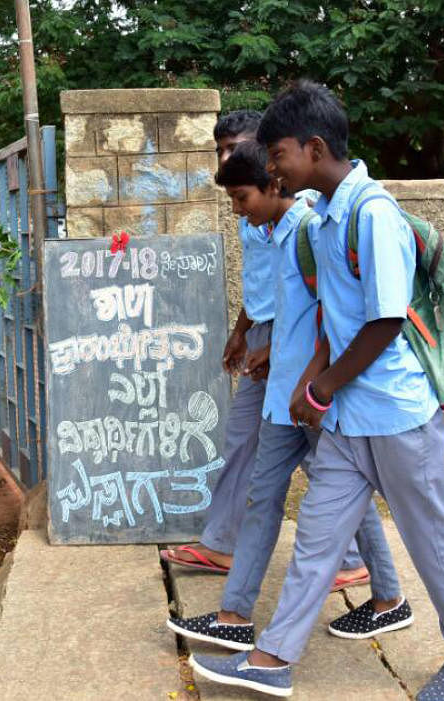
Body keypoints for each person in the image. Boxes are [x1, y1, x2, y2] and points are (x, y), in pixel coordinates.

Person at [191, 82, 444, 701]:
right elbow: (336, 317)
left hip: (397, 416)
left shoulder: (371, 213)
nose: (271, 168)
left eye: (276, 155)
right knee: (317, 539)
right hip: (348, 420)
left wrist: (321, 387)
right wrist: (314, 384)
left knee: (430, 538)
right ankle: (273, 657)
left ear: (315, 147)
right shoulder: (326, 219)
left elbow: (385, 319)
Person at [170, 141, 406, 658]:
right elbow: (281, 307)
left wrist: (303, 373)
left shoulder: (308, 231)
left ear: (274, 185)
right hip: (282, 397)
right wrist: (266, 348)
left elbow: (335, 312)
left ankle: (388, 597)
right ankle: (234, 615)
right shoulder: (276, 232)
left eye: (242, 198)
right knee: (263, 497)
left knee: (344, 493)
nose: (238, 210)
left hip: (311, 398)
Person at [162, 110, 377, 587]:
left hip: (298, 353)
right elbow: (264, 285)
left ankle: (358, 568)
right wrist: (244, 331)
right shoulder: (258, 217)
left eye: (237, 149)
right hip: (271, 344)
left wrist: (290, 358)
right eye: (221, 149)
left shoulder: (303, 222)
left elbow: (324, 304)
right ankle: (229, 563)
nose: (228, 158)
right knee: (257, 452)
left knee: (329, 460)